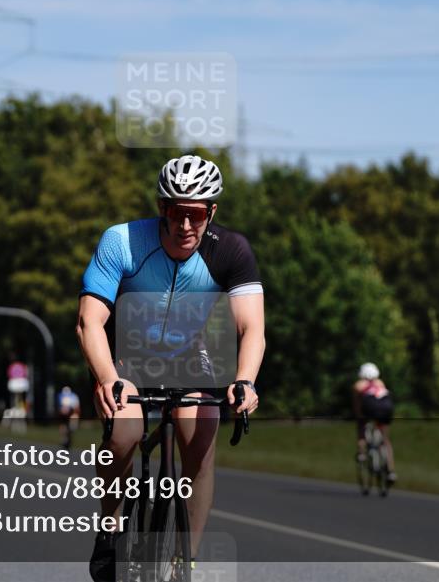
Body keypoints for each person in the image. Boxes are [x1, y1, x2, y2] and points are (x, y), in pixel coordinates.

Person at [77, 155, 265, 582]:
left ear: (211, 213)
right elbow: (89, 321)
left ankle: (187, 560)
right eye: (176, 212)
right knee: (123, 434)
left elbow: (252, 326)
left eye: (195, 215)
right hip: (126, 357)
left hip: (188, 358)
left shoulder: (230, 250)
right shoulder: (122, 242)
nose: (185, 226)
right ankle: (109, 529)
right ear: (161, 207)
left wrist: (244, 380)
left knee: (201, 432)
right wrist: (108, 378)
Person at [352, 362, 396, 483]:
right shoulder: (380, 383)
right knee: (386, 439)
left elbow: (357, 406)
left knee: (361, 426)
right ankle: (391, 471)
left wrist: (359, 417)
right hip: (387, 407)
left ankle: (361, 453)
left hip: (370, 407)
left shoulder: (358, 385)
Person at [57, 385, 82, 450]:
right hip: (64, 415)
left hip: (72, 414)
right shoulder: (61, 396)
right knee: (63, 427)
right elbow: (59, 408)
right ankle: (64, 440)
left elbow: (77, 408)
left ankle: (69, 439)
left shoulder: (73, 397)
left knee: (71, 428)